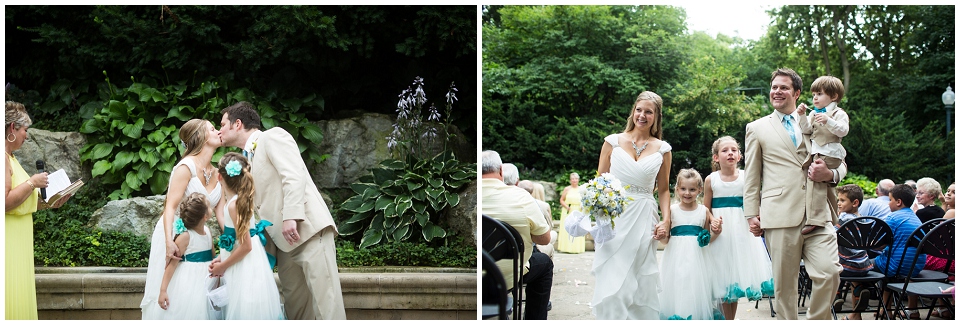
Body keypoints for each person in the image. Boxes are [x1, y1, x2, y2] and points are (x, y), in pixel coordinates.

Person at [216, 101, 345, 320]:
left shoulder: (272, 136)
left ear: (237, 124)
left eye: (222, 124)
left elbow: (294, 175)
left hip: (307, 230)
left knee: (327, 303)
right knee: (296, 308)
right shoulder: (245, 159)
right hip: (282, 244)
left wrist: (291, 217)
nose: (219, 130)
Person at [743, 68, 844, 320]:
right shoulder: (757, 128)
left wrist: (831, 175)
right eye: (774, 87)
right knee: (784, 286)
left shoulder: (820, 119)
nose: (777, 91)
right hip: (779, 212)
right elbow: (752, 175)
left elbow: (840, 159)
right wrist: (751, 214)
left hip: (819, 212)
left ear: (797, 93)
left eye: (784, 87)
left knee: (829, 271)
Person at [592, 91, 672, 319]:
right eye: (639, 110)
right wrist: (597, 216)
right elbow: (600, 181)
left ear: (656, 117)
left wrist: (666, 220)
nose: (642, 115)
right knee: (613, 272)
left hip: (644, 215)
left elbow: (664, 189)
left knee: (638, 273)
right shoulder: (612, 142)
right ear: (633, 112)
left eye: (649, 112)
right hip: (615, 217)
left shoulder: (663, 149)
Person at [142, 119, 224, 319]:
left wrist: (233, 240)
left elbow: (221, 215)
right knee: (173, 291)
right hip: (174, 232)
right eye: (213, 129)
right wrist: (170, 241)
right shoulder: (185, 167)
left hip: (199, 237)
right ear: (202, 137)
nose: (219, 131)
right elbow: (169, 207)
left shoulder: (216, 172)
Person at [5, 101, 71, 320]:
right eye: (25, 130)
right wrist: (32, 183)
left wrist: (51, 201)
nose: (26, 135)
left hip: (19, 236)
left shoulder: (11, 158)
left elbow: (20, 201)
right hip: (9, 238)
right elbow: (4, 202)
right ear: (11, 128)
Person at [703, 136, 773, 320]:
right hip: (721, 235)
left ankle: (729, 320)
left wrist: (759, 218)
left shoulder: (746, 177)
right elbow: (705, 208)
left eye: (734, 150)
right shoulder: (711, 180)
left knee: (733, 282)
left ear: (740, 156)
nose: (730, 153)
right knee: (721, 281)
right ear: (716, 157)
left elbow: (755, 202)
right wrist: (712, 221)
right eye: (725, 150)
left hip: (742, 233)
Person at [208, 153, 284, 319]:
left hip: (244, 267)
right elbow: (239, 240)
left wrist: (223, 266)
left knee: (246, 310)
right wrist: (222, 256)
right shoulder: (238, 200)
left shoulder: (233, 205)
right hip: (243, 262)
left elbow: (246, 246)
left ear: (220, 176)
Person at [480, 150, 553, 319]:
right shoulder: (520, 197)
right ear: (500, 171)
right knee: (544, 263)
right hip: (507, 276)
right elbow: (545, 239)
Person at [657, 169, 723, 320]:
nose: (687, 193)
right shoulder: (671, 210)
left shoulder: (704, 211)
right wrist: (661, 236)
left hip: (697, 262)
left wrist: (717, 230)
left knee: (694, 290)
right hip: (675, 260)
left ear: (699, 190)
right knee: (677, 289)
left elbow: (708, 238)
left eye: (692, 189)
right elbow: (666, 241)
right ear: (677, 189)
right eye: (683, 189)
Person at [796, 75, 849, 232]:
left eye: (819, 94)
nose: (815, 98)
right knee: (815, 181)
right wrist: (802, 116)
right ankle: (828, 217)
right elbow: (806, 130)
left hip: (831, 153)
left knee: (815, 181)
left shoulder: (838, 113)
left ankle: (815, 219)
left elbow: (843, 130)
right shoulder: (814, 114)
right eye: (813, 95)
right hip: (818, 152)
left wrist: (828, 121)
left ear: (833, 96)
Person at [156, 193, 219, 319]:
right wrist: (163, 290)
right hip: (190, 281)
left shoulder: (207, 231)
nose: (211, 207)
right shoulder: (185, 236)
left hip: (207, 279)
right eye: (209, 206)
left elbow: (213, 256)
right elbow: (171, 266)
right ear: (205, 216)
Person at [870, 184, 926, 320]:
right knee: (889, 259)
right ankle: (912, 310)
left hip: (895, 266)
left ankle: (884, 310)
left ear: (898, 202)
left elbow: (878, 244)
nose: (889, 203)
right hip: (915, 266)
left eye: (890, 200)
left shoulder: (892, 218)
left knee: (863, 265)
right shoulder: (915, 218)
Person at [832, 184, 875, 320]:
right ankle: (859, 290)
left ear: (855, 203)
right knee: (854, 274)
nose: (838, 203)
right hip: (864, 266)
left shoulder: (843, 219)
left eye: (842, 200)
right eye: (838, 200)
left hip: (845, 267)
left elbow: (829, 235)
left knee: (830, 265)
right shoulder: (865, 219)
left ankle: (836, 295)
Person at [518, 179, 556, 260]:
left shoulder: (511, 203)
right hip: (532, 245)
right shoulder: (542, 205)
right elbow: (547, 233)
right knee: (551, 240)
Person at [557, 172, 585, 254]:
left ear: (578, 180)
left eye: (576, 179)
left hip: (578, 210)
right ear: (570, 180)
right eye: (573, 179)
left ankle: (576, 248)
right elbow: (561, 200)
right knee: (568, 228)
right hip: (569, 210)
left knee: (577, 228)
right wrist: (566, 206)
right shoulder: (567, 189)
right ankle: (565, 247)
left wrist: (582, 205)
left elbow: (584, 199)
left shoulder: (581, 189)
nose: (574, 180)